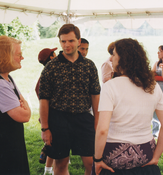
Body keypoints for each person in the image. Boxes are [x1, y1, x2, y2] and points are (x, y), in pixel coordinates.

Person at [93, 38, 163, 175]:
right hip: (145, 153)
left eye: (114, 55)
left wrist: (97, 159)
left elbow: (102, 130)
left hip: (113, 155)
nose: (111, 59)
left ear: (123, 58)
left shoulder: (109, 86)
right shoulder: (153, 86)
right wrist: (156, 157)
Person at [39, 24, 101, 175]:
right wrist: (45, 128)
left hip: (84, 119)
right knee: (60, 165)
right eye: (63, 41)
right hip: (59, 120)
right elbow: (43, 99)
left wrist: (97, 122)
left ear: (79, 41)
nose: (67, 45)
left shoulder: (89, 66)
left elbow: (95, 95)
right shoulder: (51, 67)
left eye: (71, 41)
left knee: (91, 165)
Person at [0, 35, 31, 175]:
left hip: (8, 146)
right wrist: (25, 106)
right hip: (0, 150)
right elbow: (24, 116)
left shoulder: (6, 78)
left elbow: (23, 106)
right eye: (19, 54)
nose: (22, 58)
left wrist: (24, 105)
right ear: (5, 57)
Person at [35, 47, 57, 175]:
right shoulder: (48, 74)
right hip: (52, 115)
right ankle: (51, 171)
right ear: (51, 57)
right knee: (54, 146)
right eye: (54, 53)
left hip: (48, 115)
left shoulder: (44, 73)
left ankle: (47, 171)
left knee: (51, 145)